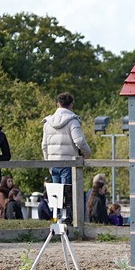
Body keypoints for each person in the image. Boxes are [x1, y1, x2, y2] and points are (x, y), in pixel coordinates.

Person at [42, 92, 92, 221]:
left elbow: (44, 145)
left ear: (57, 104)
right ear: (71, 105)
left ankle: (56, 219)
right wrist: (87, 153)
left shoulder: (47, 122)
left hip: (53, 162)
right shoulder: (72, 120)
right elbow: (79, 141)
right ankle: (68, 220)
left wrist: (47, 162)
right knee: (68, 192)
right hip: (69, 162)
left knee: (55, 194)